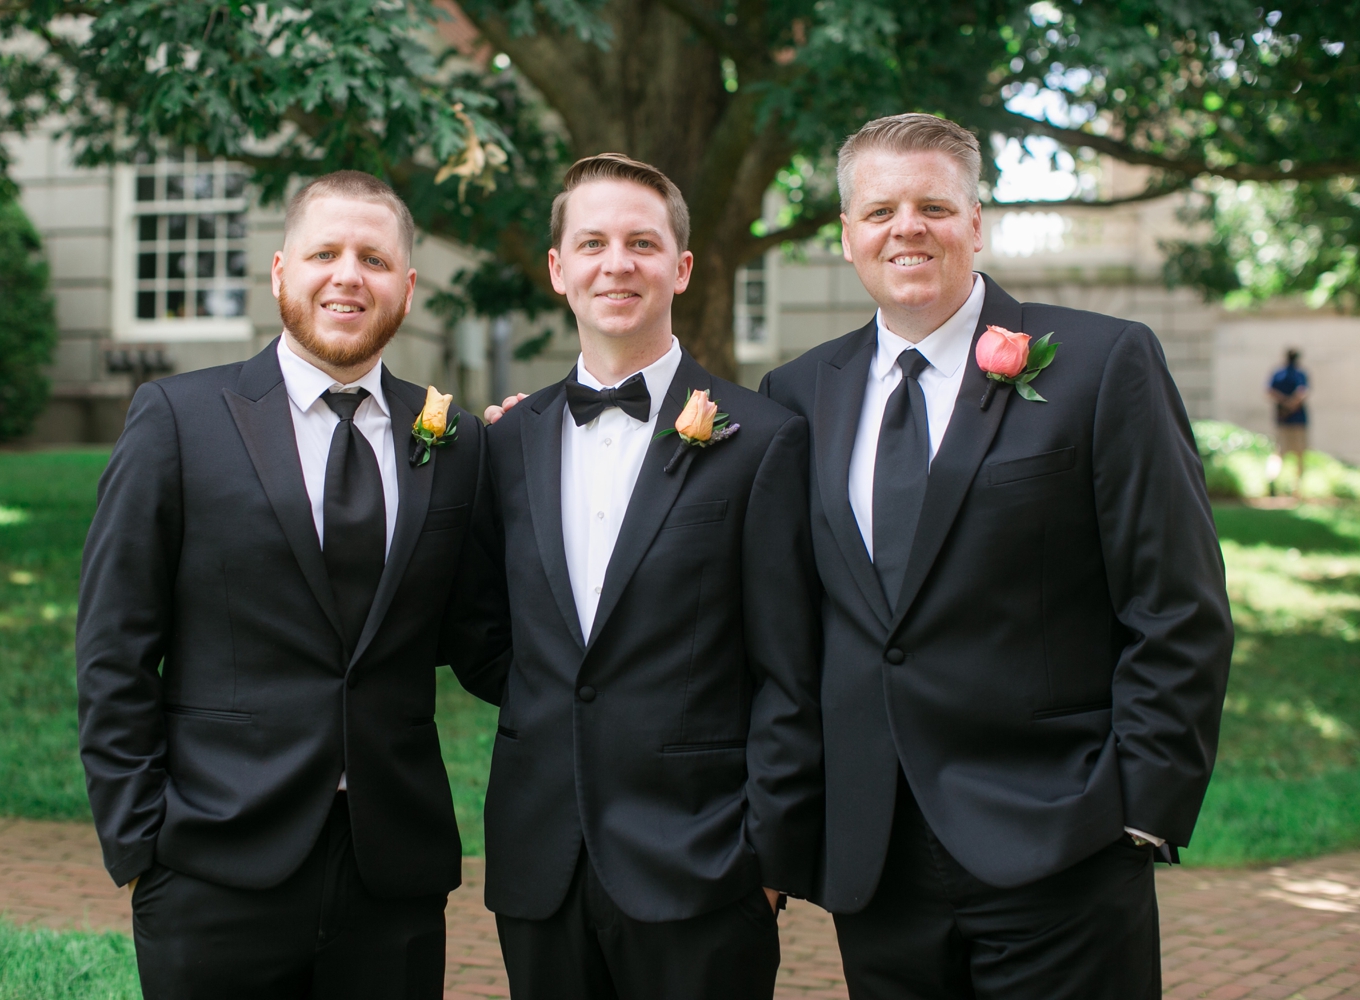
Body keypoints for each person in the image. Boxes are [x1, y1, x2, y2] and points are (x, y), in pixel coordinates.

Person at [760, 114, 1233, 999]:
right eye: (881, 211)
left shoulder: (1102, 362)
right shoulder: (796, 395)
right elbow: (784, 621)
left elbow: (1177, 603)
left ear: (976, 224)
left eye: (934, 205)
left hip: (1062, 844)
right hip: (876, 862)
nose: (908, 228)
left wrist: (1138, 813)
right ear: (847, 236)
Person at [76, 170, 506, 1000]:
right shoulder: (177, 420)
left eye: (374, 259)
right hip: (213, 862)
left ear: (406, 288)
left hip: (393, 872)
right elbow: (114, 648)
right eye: (325, 253)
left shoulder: (453, 440)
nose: (348, 275)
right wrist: (138, 846)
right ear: (281, 272)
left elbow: (482, 640)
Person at [467, 153, 824, 999]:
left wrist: (764, 863)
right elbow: (479, 633)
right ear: (559, 269)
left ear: (681, 267)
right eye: (591, 242)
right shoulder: (506, 445)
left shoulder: (764, 440)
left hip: (704, 864)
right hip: (540, 862)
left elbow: (793, 671)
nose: (616, 263)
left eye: (641, 242)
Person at [1269, 348, 1310, 492]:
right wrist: (1291, 404)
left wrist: (1284, 403)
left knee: (1279, 452)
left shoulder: (1278, 373)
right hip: (1298, 420)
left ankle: (1272, 480)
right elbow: (1302, 393)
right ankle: (1297, 489)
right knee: (1300, 455)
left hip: (1282, 419)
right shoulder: (1300, 374)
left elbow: (1270, 392)